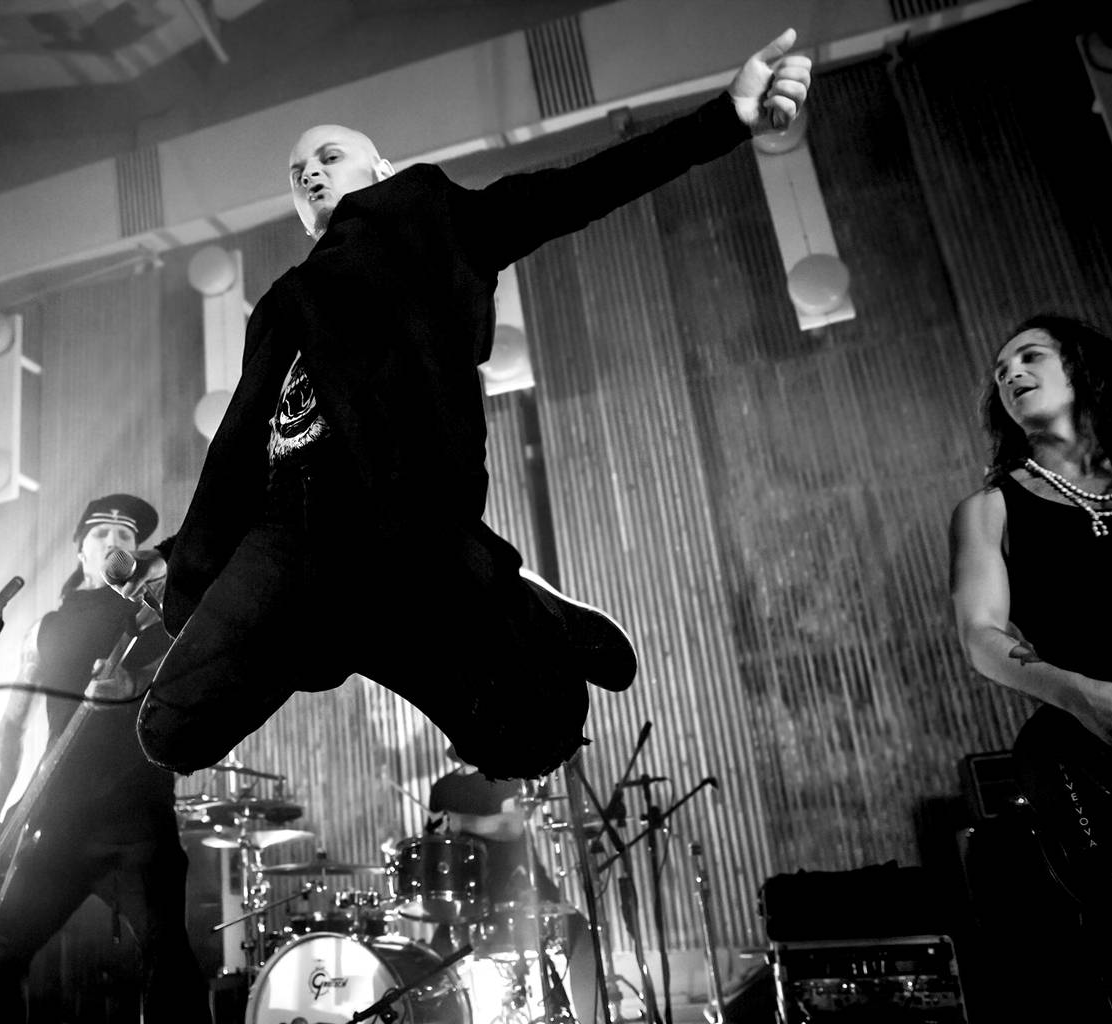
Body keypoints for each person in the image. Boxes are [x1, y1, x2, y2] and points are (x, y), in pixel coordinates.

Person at [133, 30, 813, 783]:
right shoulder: (281, 305)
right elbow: (239, 453)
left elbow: (577, 190)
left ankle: (510, 601)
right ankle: (343, 626)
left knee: (533, 740)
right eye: (298, 174)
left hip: (400, 526)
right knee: (170, 735)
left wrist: (724, 119)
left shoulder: (434, 223)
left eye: (328, 156)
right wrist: (184, 557)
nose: (311, 174)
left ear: (380, 169)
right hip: (288, 529)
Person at [949, 314, 1112, 1021]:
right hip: (1097, 761)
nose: (1011, 374)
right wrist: (1079, 694)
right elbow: (981, 634)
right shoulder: (988, 511)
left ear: (1083, 369)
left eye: (1030, 356)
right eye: (1000, 372)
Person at [0, 494, 209, 1024]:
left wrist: (134, 683)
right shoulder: (43, 630)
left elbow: (191, 660)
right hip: (58, 822)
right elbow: (10, 727)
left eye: (127, 537)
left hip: (139, 822)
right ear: (80, 550)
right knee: (0, 955)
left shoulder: (156, 610)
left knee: (169, 960)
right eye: (103, 534)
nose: (117, 542)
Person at [428, 748, 596, 1024]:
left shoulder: (504, 776)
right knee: (432, 966)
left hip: (520, 885)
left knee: (581, 936)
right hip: (466, 896)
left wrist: (462, 821)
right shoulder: (441, 789)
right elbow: (434, 843)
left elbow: (512, 826)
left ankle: (591, 1019)